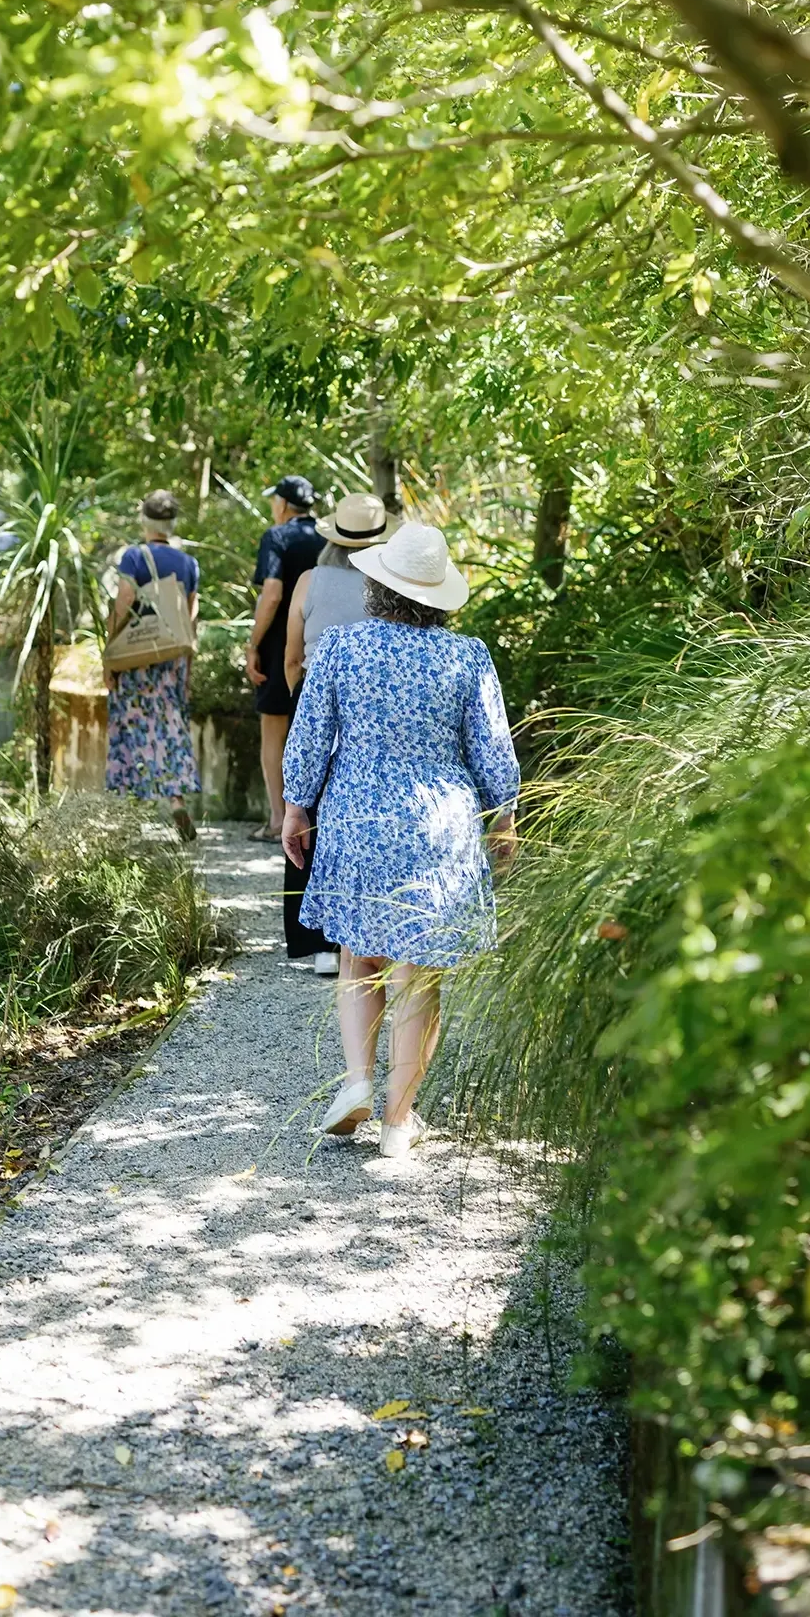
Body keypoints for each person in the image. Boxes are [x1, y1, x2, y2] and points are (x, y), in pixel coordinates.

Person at [281, 521, 519, 1161]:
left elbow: (309, 735)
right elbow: (492, 749)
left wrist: (296, 806)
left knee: (359, 959)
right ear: (439, 596)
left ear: (377, 586)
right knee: (419, 976)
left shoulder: (341, 647)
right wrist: (503, 817)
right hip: (439, 824)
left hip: (358, 813)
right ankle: (397, 1121)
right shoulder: (467, 657)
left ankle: (357, 1081)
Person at [281, 493, 390, 977]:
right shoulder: (389, 585)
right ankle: (362, 933)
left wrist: (301, 700)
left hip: (312, 691)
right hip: (371, 704)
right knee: (352, 816)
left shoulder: (310, 580)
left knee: (302, 810)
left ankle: (316, 943)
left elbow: (291, 655)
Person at [104, 490, 200, 841]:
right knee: (170, 728)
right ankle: (176, 800)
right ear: (172, 523)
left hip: (137, 658)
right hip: (172, 659)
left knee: (131, 726)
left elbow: (124, 601)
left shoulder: (134, 556)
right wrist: (187, 667)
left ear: (144, 520)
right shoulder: (188, 563)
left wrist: (110, 653)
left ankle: (129, 811)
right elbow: (191, 616)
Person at [245, 474, 322, 842]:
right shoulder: (329, 536)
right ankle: (317, 820)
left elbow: (272, 594)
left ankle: (278, 820)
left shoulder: (276, 537)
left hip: (279, 646)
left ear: (283, 505)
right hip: (322, 644)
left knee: (274, 730)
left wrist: (253, 644)